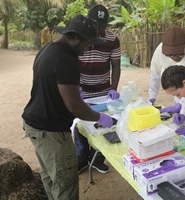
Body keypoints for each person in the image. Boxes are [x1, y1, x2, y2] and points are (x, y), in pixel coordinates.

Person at [22, 15, 114, 200]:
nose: (89, 47)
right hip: (51, 131)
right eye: (87, 42)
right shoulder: (66, 60)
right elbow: (74, 106)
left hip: (34, 124)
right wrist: (100, 118)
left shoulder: (48, 50)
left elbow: (51, 85)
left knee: (50, 177)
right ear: (74, 37)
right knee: (65, 184)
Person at [73, 4, 121, 174]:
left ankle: (97, 159)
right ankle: (81, 158)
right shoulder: (79, 36)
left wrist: (113, 89)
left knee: (102, 126)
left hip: (102, 91)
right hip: (81, 90)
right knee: (80, 125)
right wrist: (75, 87)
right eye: (97, 27)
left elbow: (116, 65)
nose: (100, 30)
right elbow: (71, 63)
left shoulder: (112, 39)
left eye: (103, 27)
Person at [148, 25, 185, 117]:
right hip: (181, 94)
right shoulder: (159, 51)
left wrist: (184, 106)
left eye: (179, 54)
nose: (175, 58)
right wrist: (151, 97)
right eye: (171, 55)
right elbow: (155, 75)